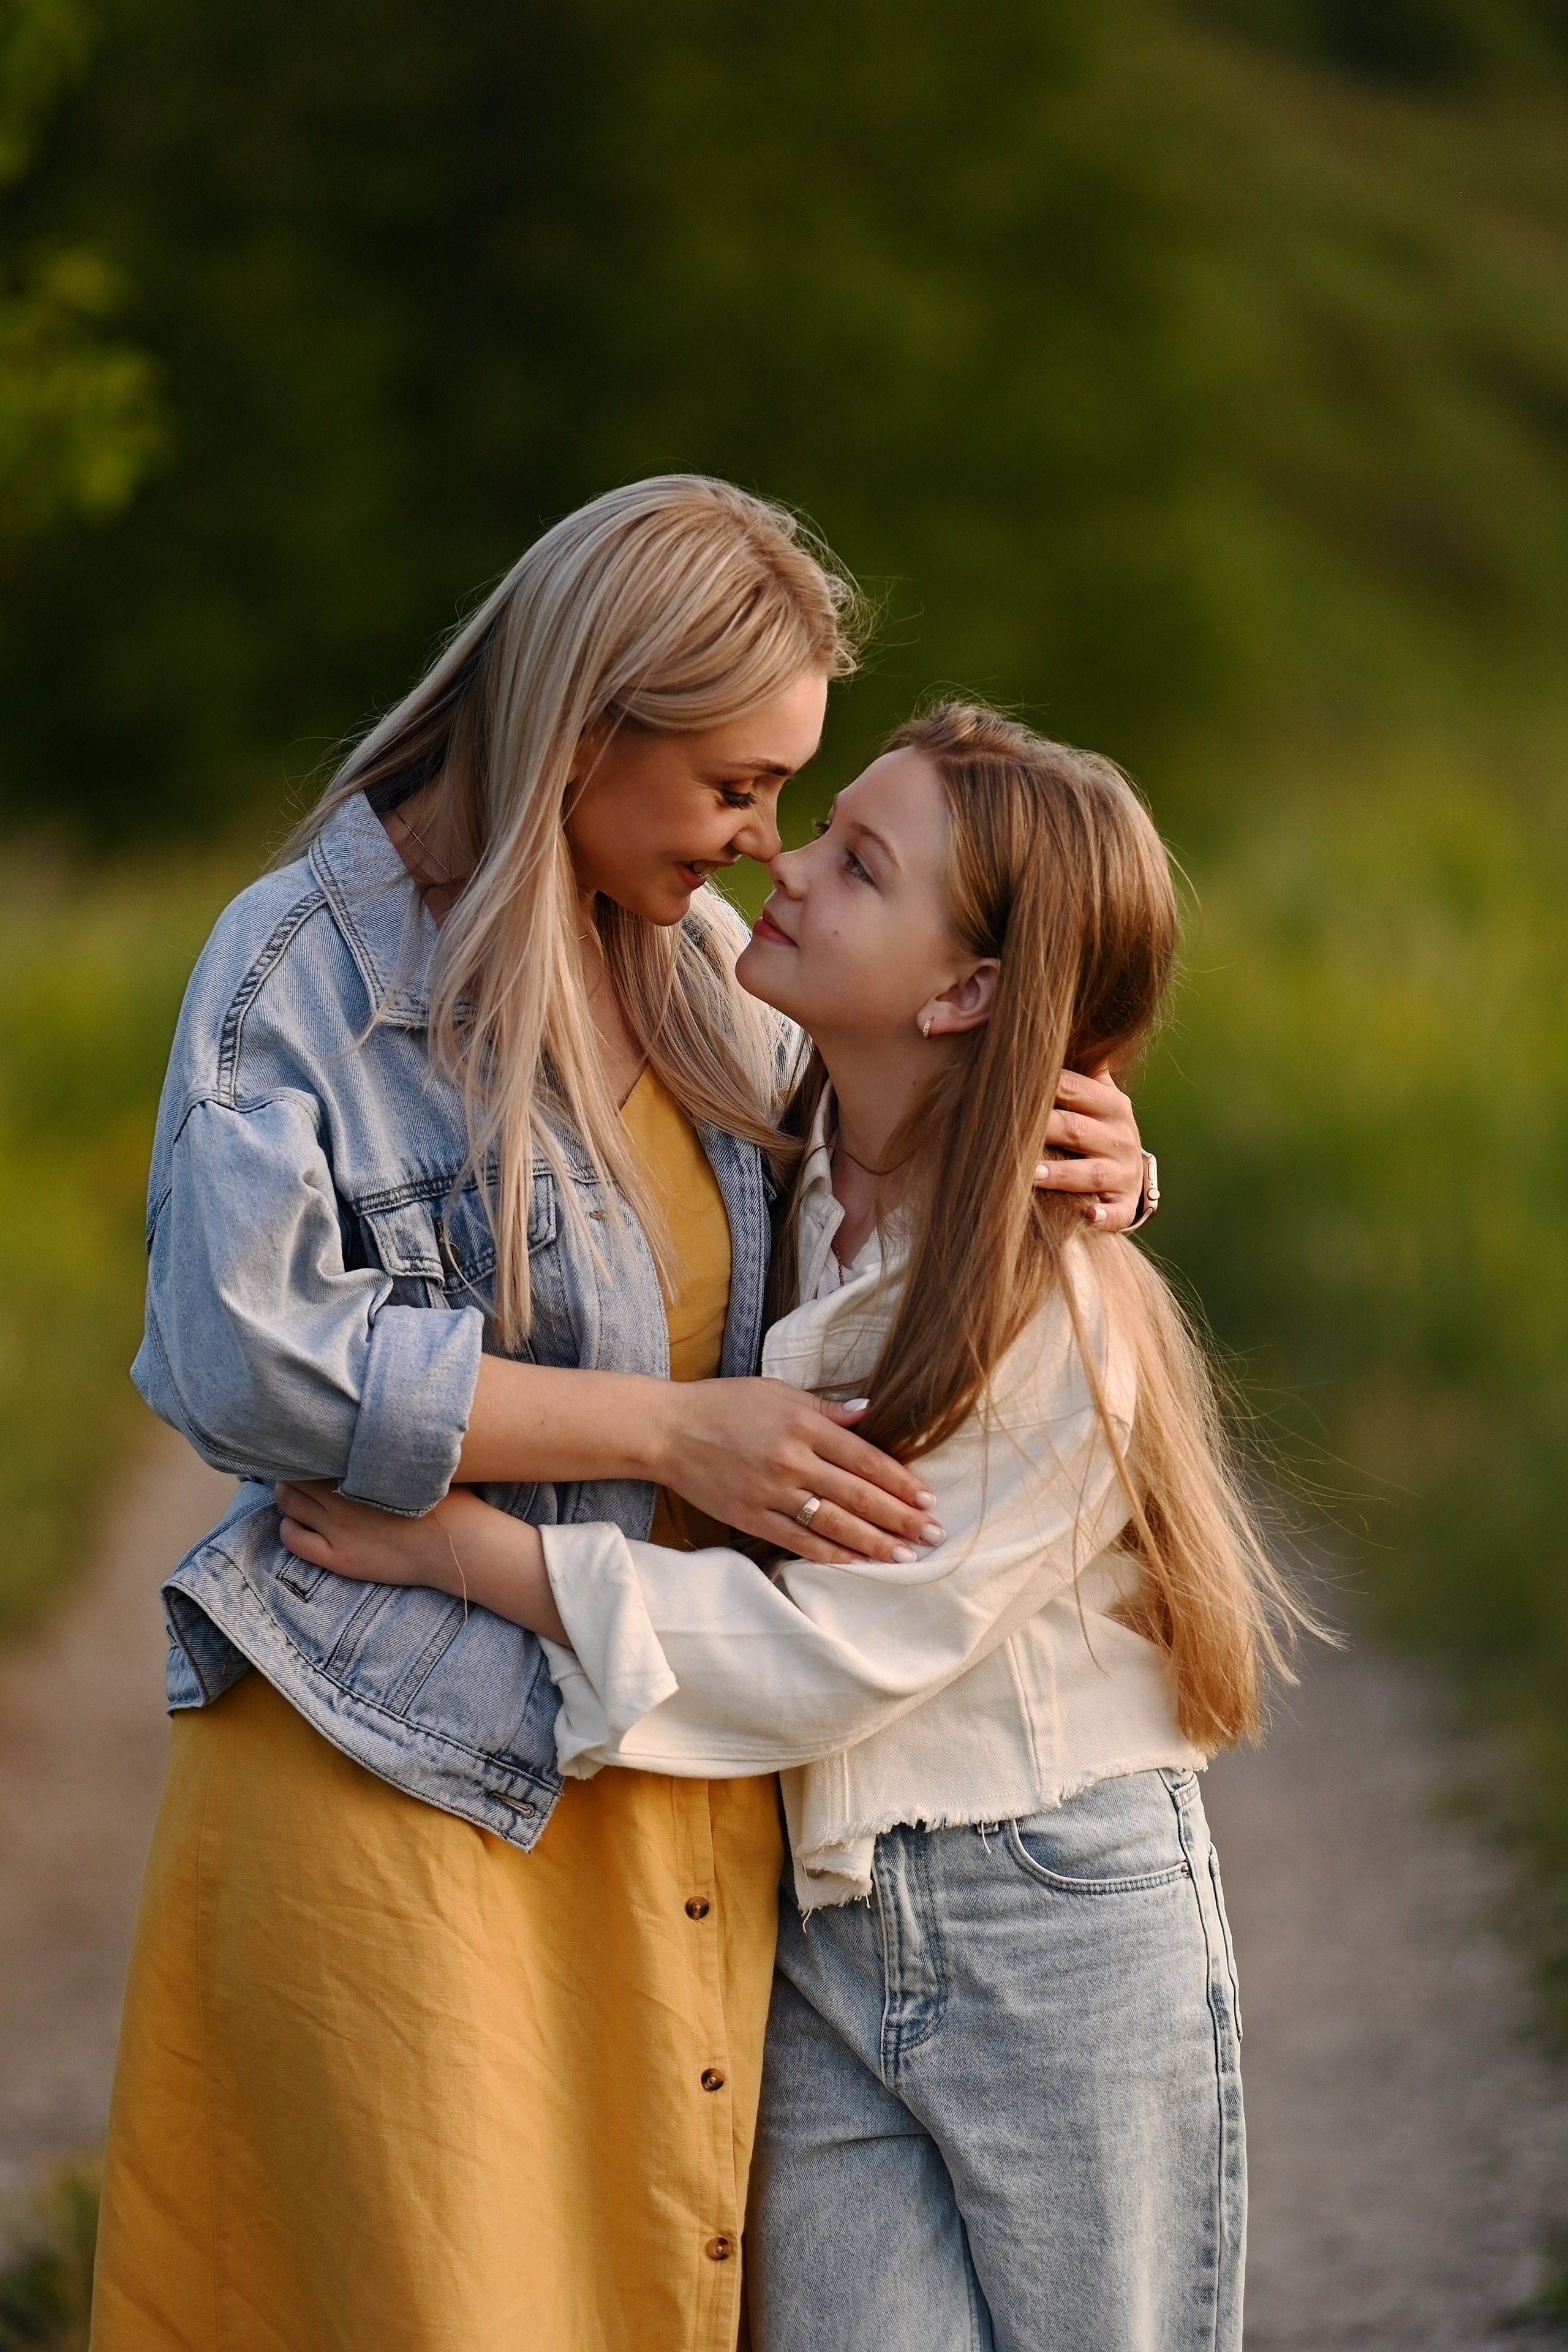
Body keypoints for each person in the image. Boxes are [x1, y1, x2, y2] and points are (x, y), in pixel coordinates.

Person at [91, 485, 1149, 2352]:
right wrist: (668, 1435)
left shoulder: (678, 972)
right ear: (583, 729)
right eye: (739, 789)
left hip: (640, 1793)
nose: (761, 846)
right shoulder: (305, 970)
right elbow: (237, 1353)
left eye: (786, 800)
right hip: (393, 1785)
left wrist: (1097, 1158)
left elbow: (893, 1186)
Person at [282, 700, 1301, 2352]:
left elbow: (832, 1649)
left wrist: (477, 1555)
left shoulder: (1057, 1307)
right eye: (820, 826)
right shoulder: (796, 1154)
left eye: (858, 862)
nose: (788, 862)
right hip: (825, 1918)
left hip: (1060, 1930)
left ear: (966, 990)